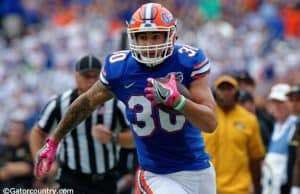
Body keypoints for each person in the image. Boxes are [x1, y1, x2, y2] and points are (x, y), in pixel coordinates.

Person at [34, 3, 218, 194]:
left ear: (170, 36)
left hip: (200, 168)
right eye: (143, 37)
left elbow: (210, 123)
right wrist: (54, 140)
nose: (149, 44)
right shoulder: (120, 69)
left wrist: (179, 102)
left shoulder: (188, 61)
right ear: (133, 37)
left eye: (156, 36)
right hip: (157, 174)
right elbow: (85, 104)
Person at [29, 55, 134, 194]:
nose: (91, 81)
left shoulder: (115, 104)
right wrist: (39, 159)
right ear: (76, 76)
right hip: (71, 177)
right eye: (86, 76)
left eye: (95, 76)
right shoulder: (59, 103)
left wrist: (113, 137)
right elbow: (37, 132)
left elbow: (135, 139)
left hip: (106, 178)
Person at [203, 75, 265, 194]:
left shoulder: (249, 119)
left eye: (229, 89)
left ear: (237, 92)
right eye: (222, 89)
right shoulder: (206, 116)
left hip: (239, 189)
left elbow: (255, 158)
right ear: (215, 92)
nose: (226, 93)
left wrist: (257, 188)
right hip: (208, 188)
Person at [261, 83, 298, 194]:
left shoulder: (295, 126)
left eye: (281, 102)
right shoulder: (275, 126)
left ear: (290, 103)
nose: (277, 106)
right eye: (274, 102)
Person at [0, 117, 33, 190]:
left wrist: (9, 169)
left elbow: (28, 168)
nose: (15, 133)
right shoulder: (2, 149)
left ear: (24, 133)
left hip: (26, 189)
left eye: (18, 130)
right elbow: (2, 174)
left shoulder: (29, 148)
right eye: (13, 130)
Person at [286, 84, 300, 194]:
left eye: (298, 99)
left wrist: (296, 187)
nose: (294, 104)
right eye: (291, 99)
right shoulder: (295, 124)